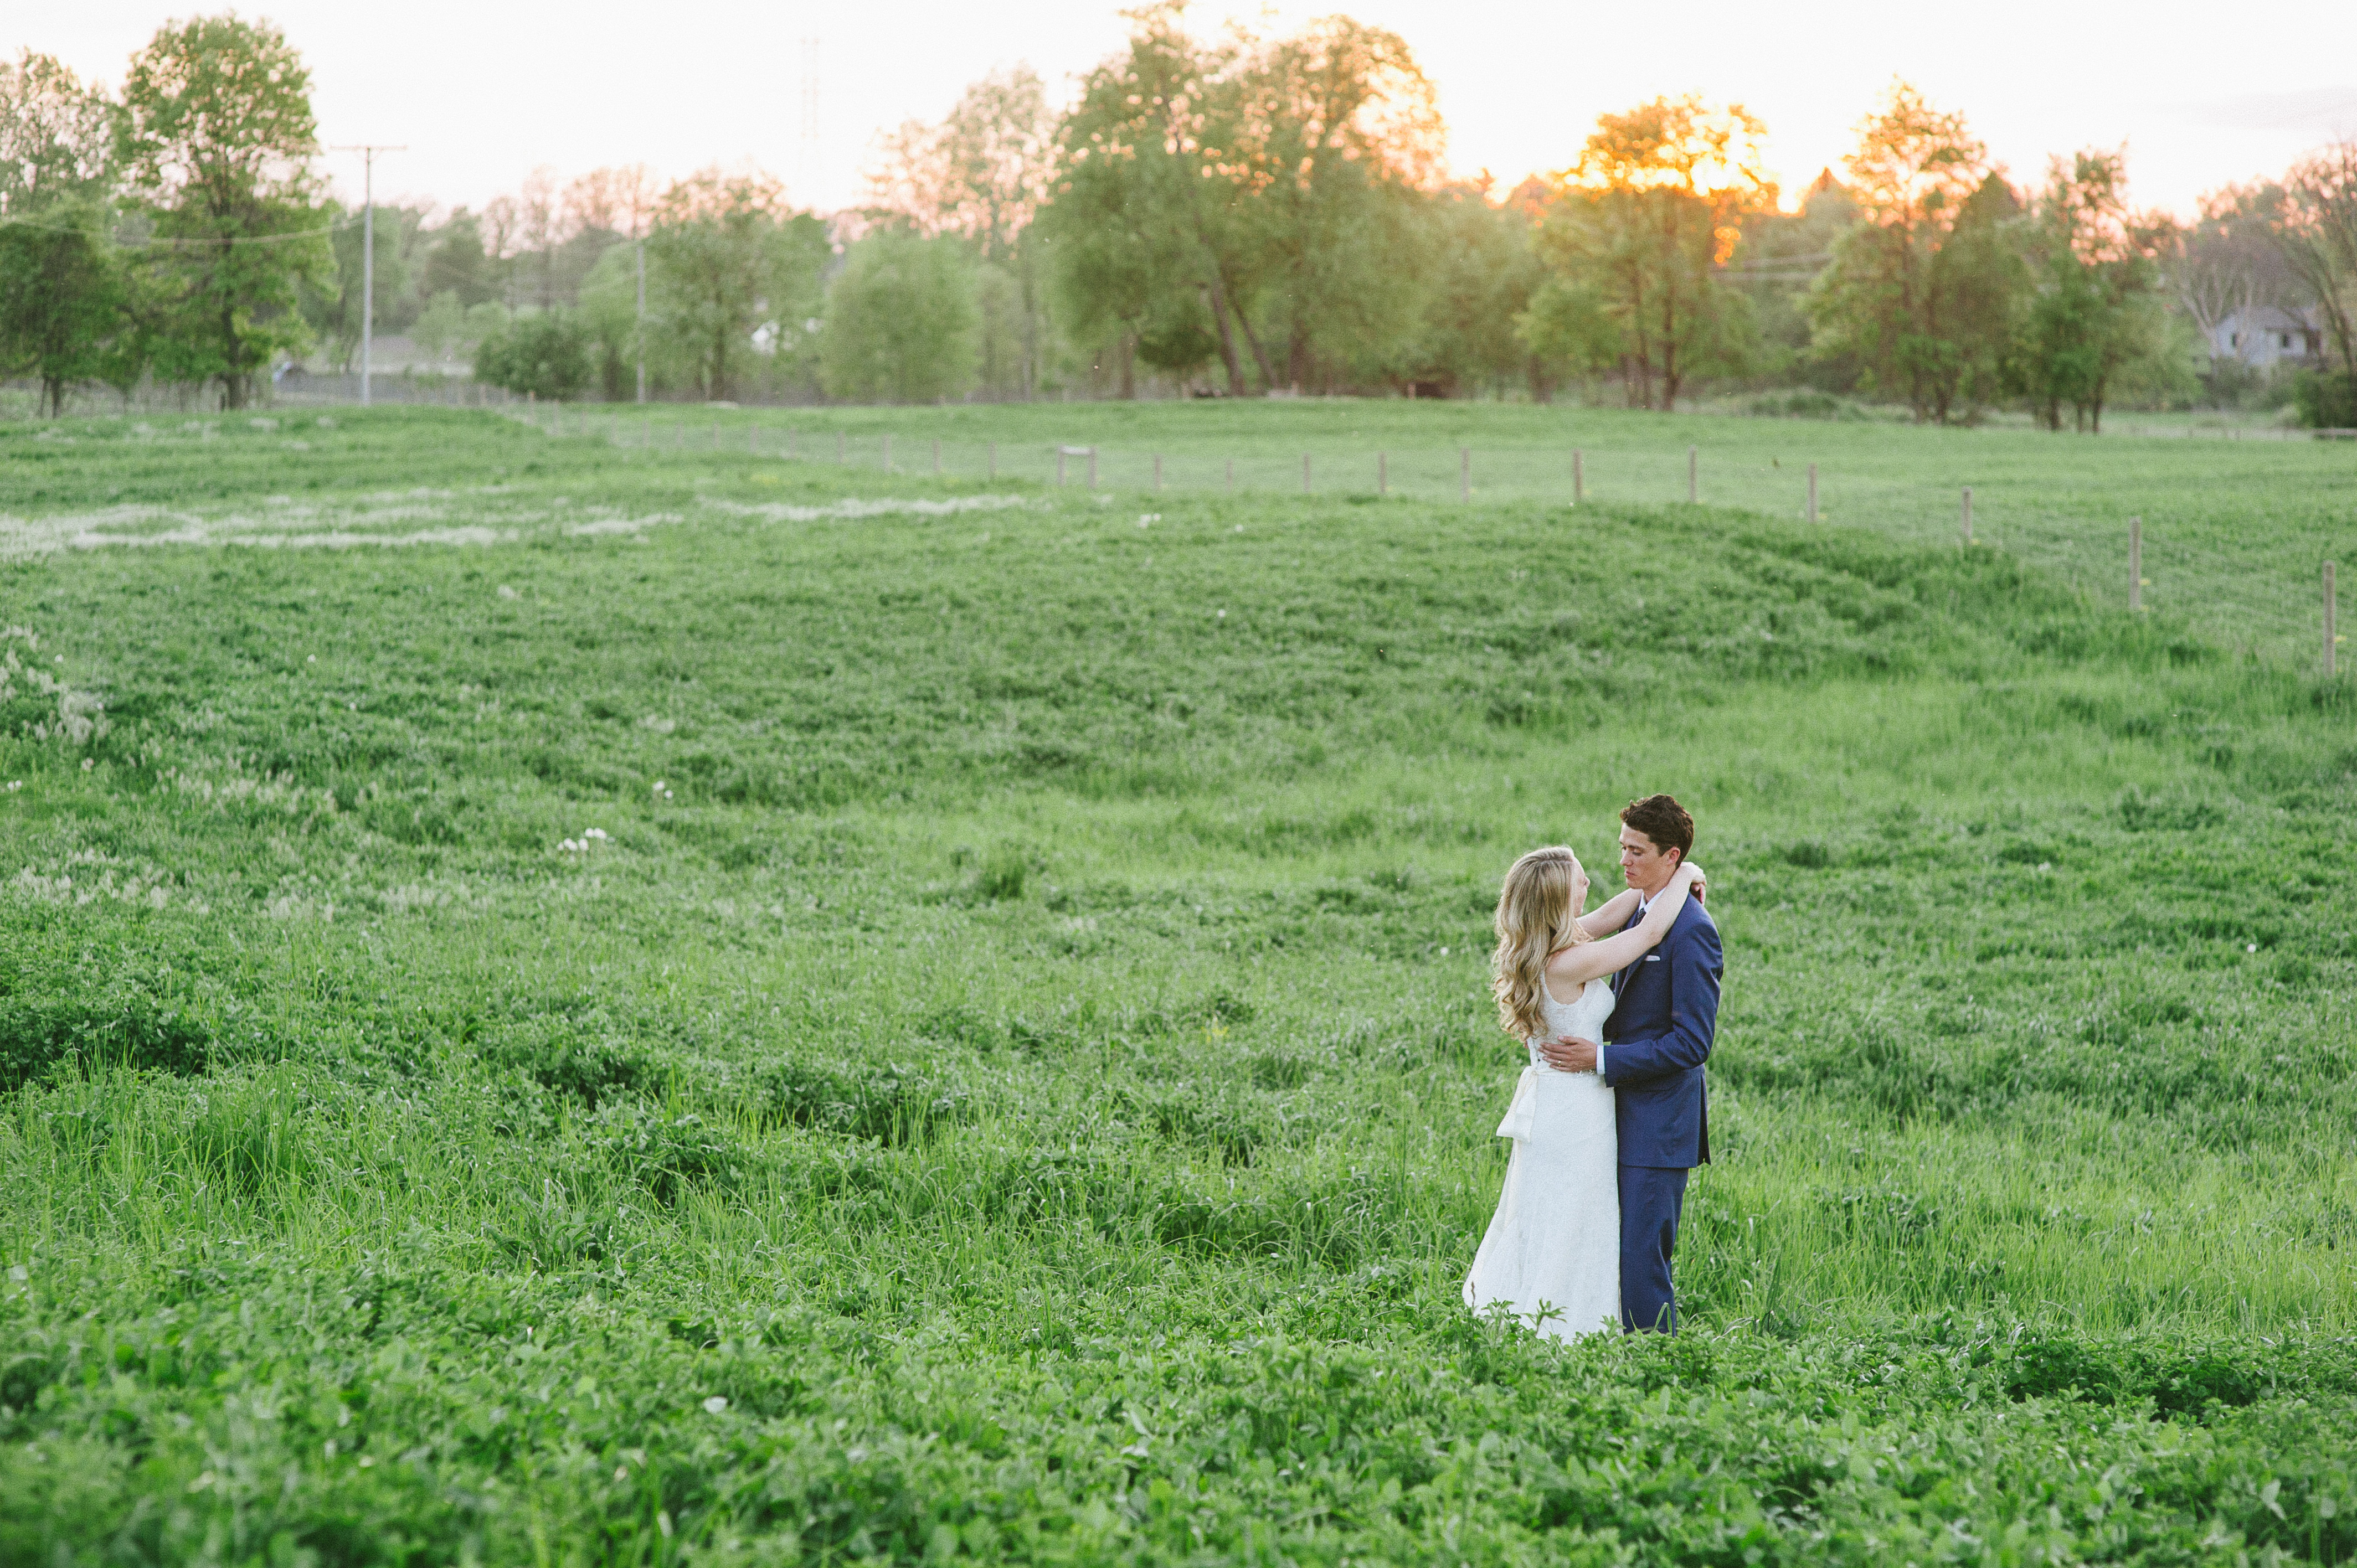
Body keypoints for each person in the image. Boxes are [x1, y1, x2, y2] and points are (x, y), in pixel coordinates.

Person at [1462, 833, 1706, 1339]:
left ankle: (1543, 1316)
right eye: (1579, 879)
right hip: (1576, 1110)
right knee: (1577, 1217)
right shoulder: (1569, 961)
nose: (1591, 881)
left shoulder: (1552, 945)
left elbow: (1624, 908)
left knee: (1557, 1212)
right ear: (1557, 898)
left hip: (1558, 1103)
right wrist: (1682, 875)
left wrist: (1671, 875)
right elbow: (1646, 934)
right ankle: (1567, 1328)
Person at [1537, 794, 1720, 1333]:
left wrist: (1602, 1058)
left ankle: (1655, 1366)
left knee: (1642, 1259)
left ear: (1669, 855)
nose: (1622, 862)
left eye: (1636, 852)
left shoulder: (1690, 930)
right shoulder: (1641, 910)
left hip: (1658, 1124)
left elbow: (1691, 1043)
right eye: (1621, 848)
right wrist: (1684, 871)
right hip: (1607, 1117)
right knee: (1607, 1251)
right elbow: (1634, 927)